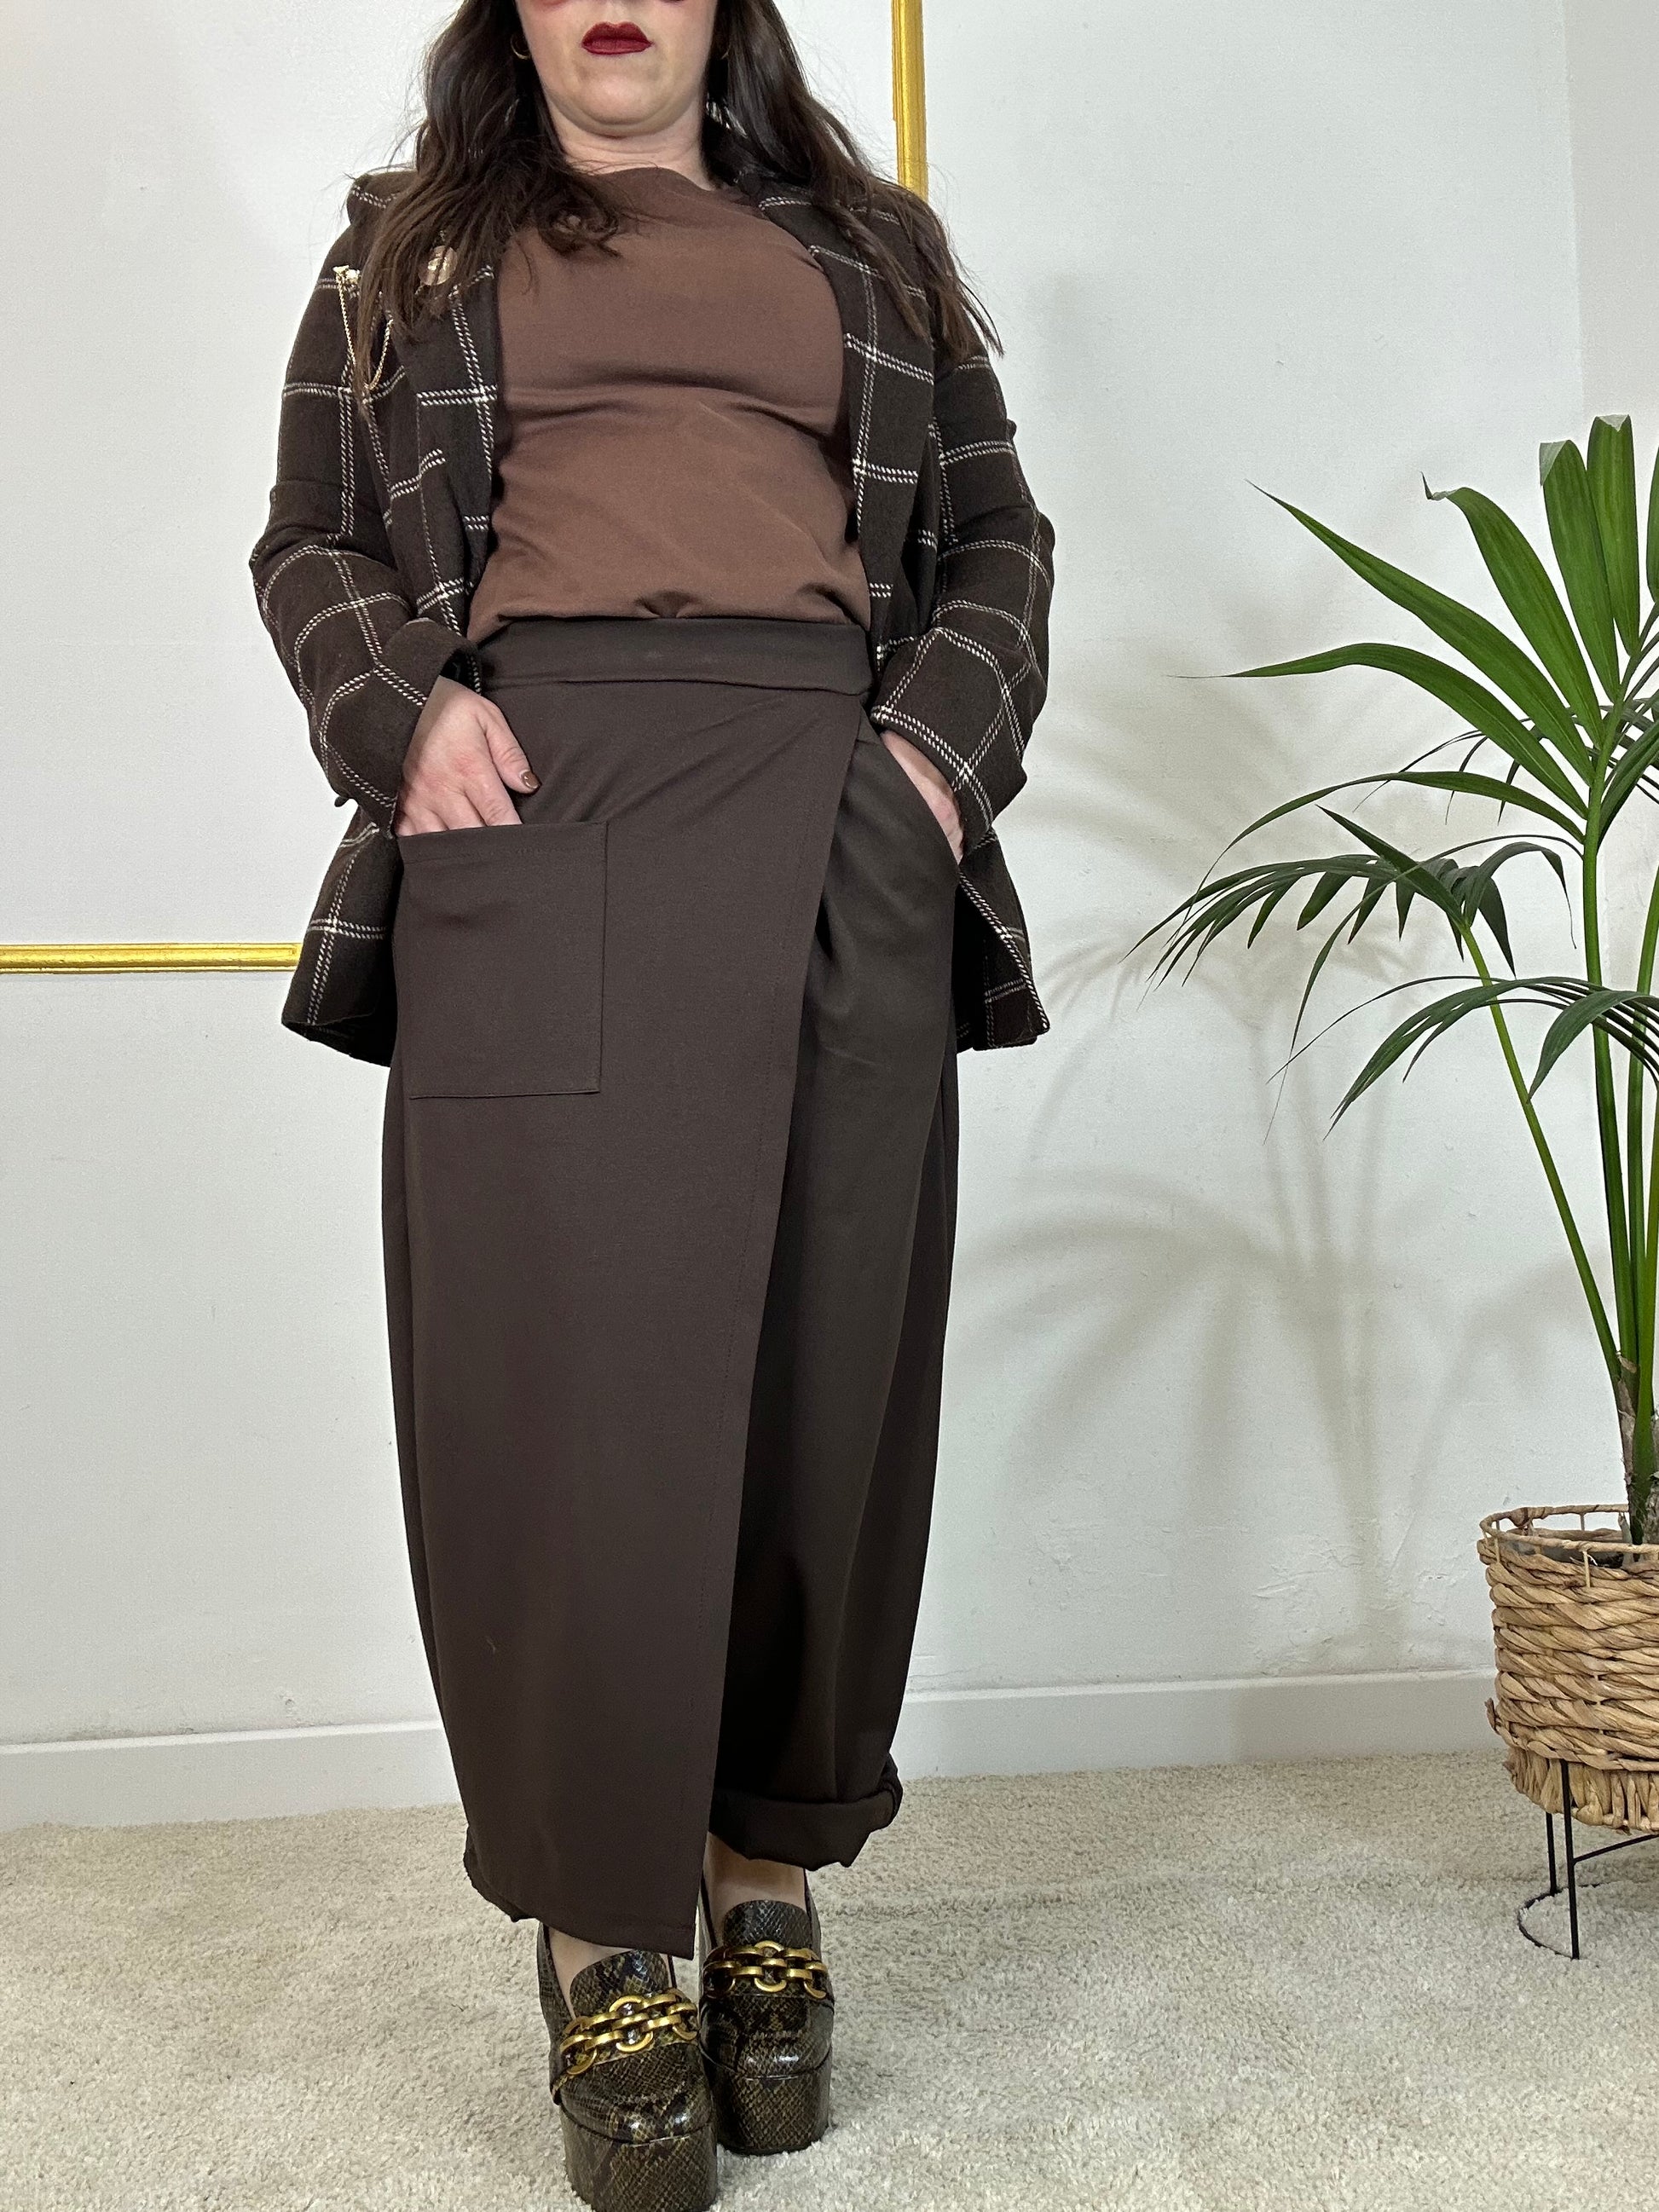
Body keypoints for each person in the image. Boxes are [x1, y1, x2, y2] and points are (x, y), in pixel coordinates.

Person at [249, 3, 1053, 2205]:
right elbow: (308, 539)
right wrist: (403, 717)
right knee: (564, 1388)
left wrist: (921, 765)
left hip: (833, 810)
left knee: (822, 1363)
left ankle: (762, 1865)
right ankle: (606, 1923)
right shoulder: (404, 250)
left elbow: (996, 536)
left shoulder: (873, 250)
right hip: (543, 803)